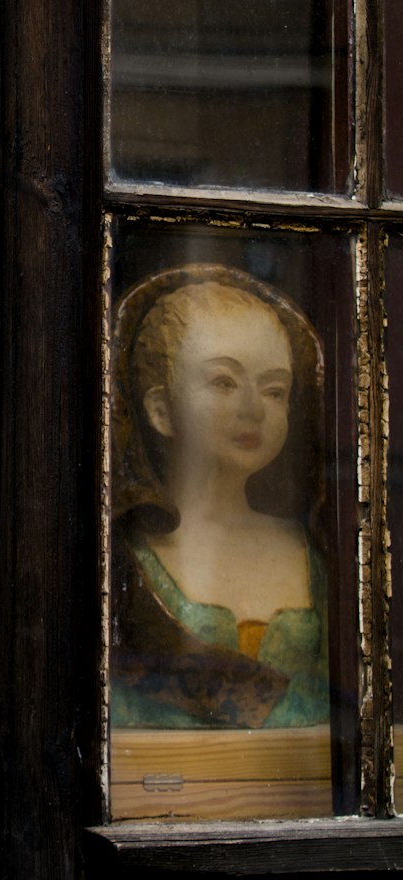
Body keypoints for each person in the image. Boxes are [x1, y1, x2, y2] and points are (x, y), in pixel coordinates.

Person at [111, 264, 328, 729]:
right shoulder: (126, 556)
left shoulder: (312, 551)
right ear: (161, 410)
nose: (253, 409)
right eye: (223, 382)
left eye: (274, 390)